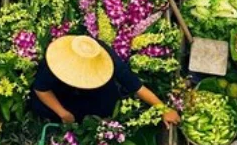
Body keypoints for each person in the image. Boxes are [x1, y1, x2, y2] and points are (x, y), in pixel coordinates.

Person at [30, 35, 181, 126]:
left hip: (94, 93)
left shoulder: (106, 58)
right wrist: (63, 113)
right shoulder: (56, 60)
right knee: (41, 106)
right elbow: (41, 88)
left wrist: (163, 109)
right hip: (60, 92)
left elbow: (135, 85)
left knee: (106, 105)